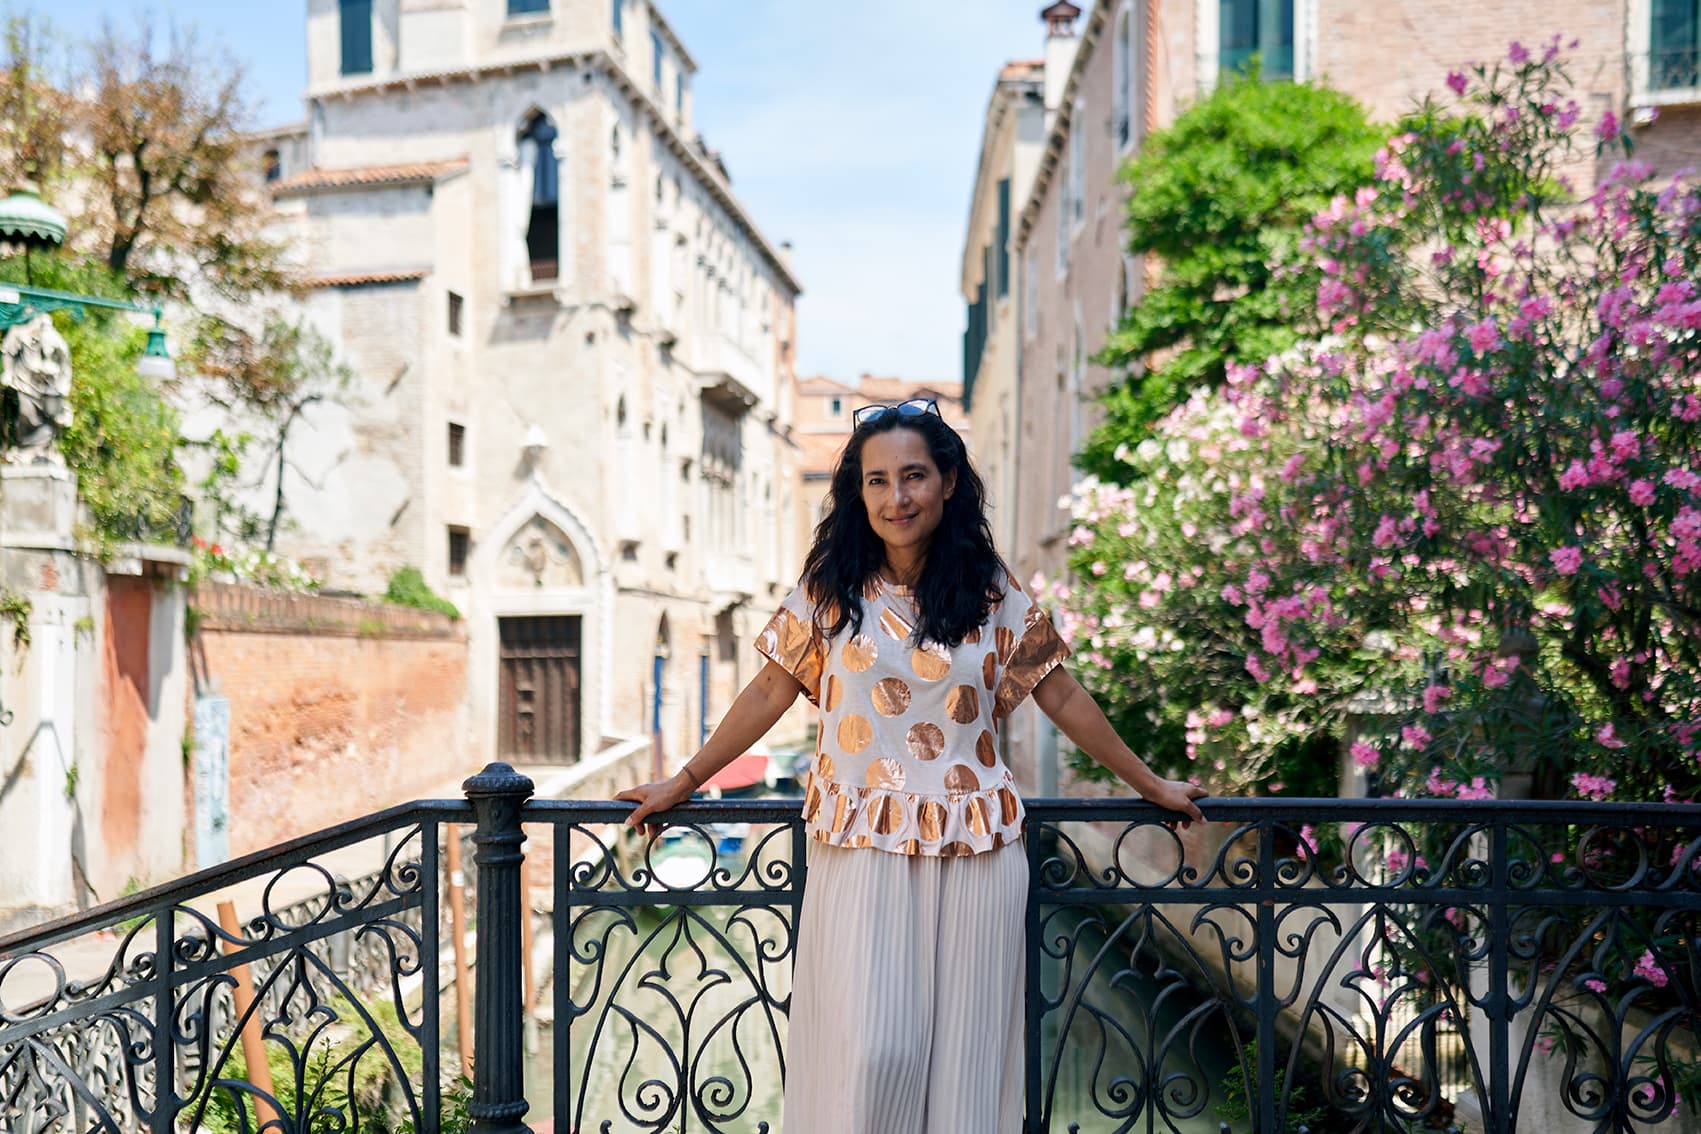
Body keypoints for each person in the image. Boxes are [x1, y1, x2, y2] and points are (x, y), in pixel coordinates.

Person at [616, 398, 1207, 1134]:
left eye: (913, 477)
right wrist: (684, 779)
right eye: (876, 481)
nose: (895, 498)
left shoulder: (991, 589)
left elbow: (1058, 691)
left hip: (977, 848)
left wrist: (1148, 784)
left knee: (965, 1066)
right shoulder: (831, 586)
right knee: (873, 1055)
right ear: (856, 493)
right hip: (859, 843)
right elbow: (770, 686)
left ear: (948, 481)